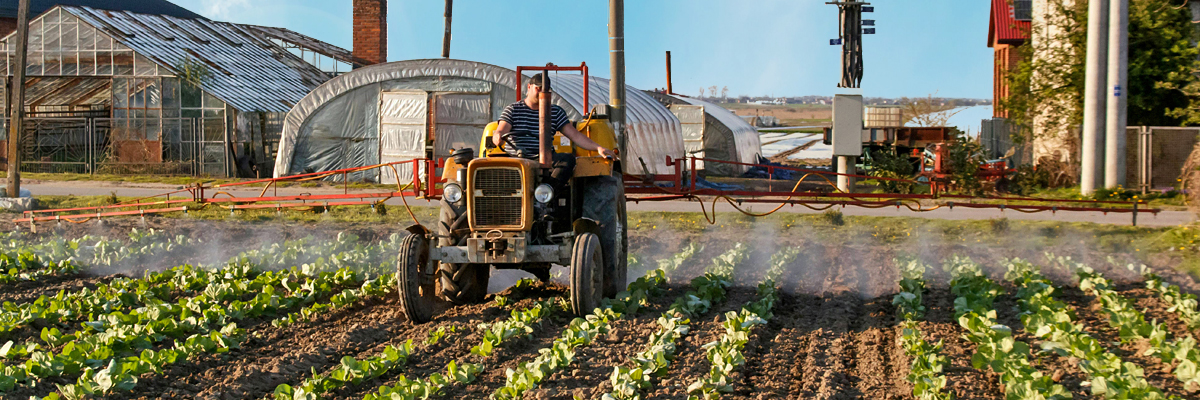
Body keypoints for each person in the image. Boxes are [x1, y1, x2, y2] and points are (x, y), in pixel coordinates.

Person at [493, 73, 616, 188]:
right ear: (529, 87)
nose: (541, 93)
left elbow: (575, 135)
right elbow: (502, 129)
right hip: (516, 156)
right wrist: (498, 135)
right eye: (538, 88)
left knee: (567, 160)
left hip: (544, 158)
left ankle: (546, 193)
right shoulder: (513, 110)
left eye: (545, 90)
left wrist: (598, 148)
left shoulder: (555, 112)